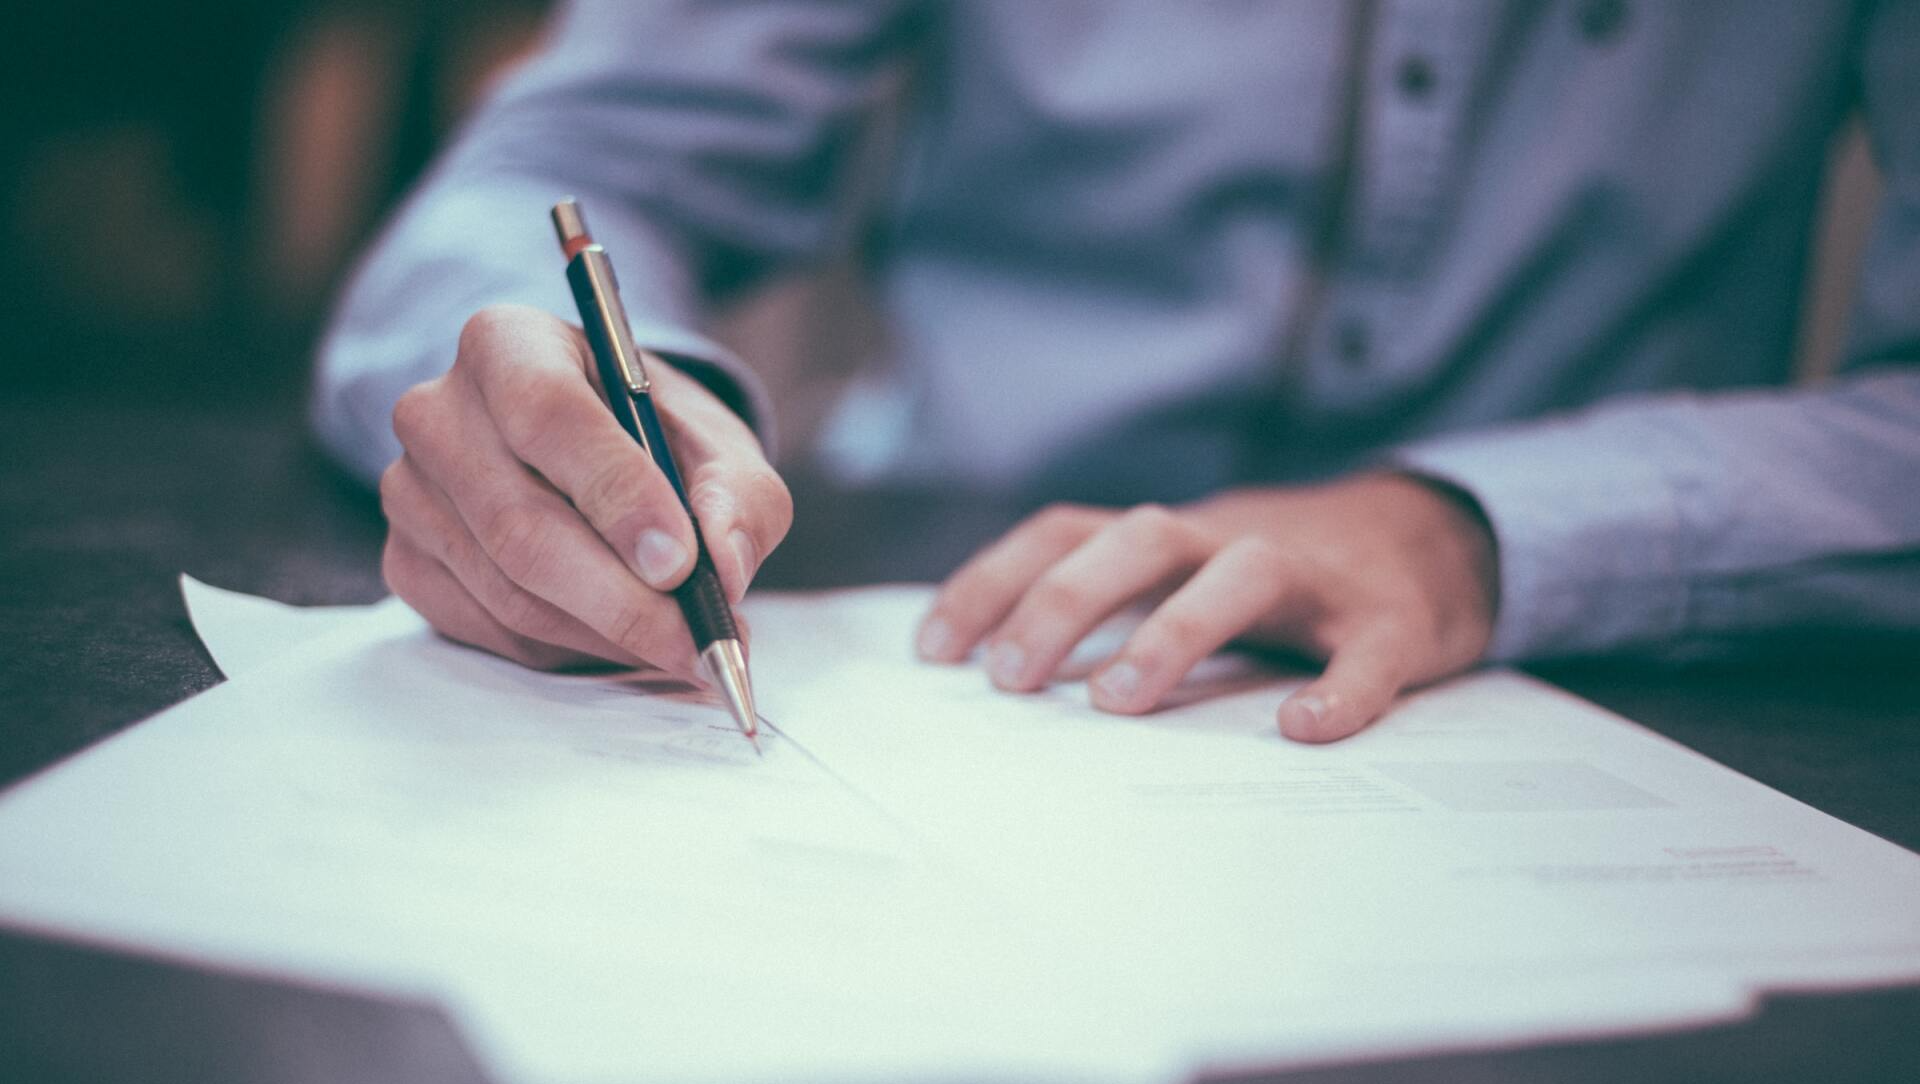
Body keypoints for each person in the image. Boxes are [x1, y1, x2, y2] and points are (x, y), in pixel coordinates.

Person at [313, 1, 1920, 743]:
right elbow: (570, 162)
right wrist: (587, 411)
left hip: (1631, 685)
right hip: (948, 625)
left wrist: (1475, 527)